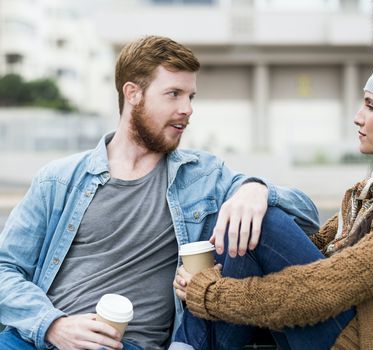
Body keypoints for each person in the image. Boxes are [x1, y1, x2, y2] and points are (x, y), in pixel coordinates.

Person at [0, 36, 320, 350]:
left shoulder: (202, 176)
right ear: (133, 94)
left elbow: (307, 218)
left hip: (125, 343)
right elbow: (5, 268)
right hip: (34, 338)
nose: (187, 109)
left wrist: (256, 190)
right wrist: (53, 325)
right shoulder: (58, 180)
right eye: (174, 94)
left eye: (191, 96)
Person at [171, 56, 373, 350]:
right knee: (244, 222)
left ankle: (187, 343)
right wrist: (254, 192)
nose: (358, 117)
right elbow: (311, 248)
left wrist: (209, 293)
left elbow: (326, 286)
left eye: (371, 106)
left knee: (262, 223)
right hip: (369, 326)